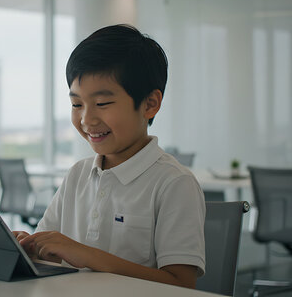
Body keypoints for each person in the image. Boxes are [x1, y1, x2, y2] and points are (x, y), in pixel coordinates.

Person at [14, 24, 205, 288]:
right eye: (76, 104)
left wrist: (88, 256)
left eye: (102, 104)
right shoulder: (78, 175)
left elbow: (182, 285)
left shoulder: (174, 183)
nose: (86, 119)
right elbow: (50, 249)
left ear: (150, 104)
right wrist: (31, 247)